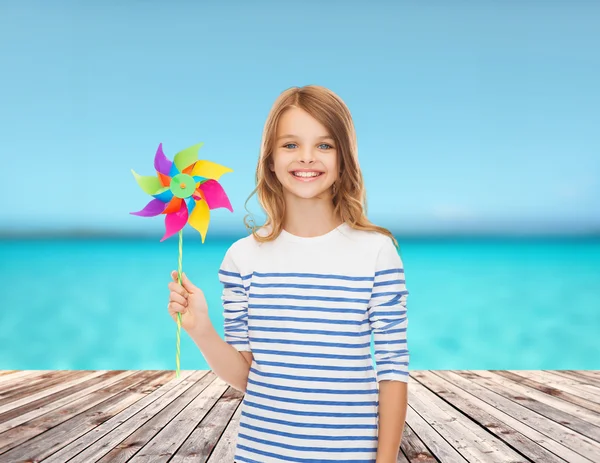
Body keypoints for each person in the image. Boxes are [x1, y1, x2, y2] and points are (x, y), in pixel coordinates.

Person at [167, 85, 410, 463]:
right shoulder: (241, 259)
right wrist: (201, 330)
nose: (307, 158)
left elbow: (393, 369)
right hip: (261, 454)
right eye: (291, 145)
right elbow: (246, 376)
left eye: (325, 145)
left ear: (345, 159)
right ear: (270, 161)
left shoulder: (376, 252)